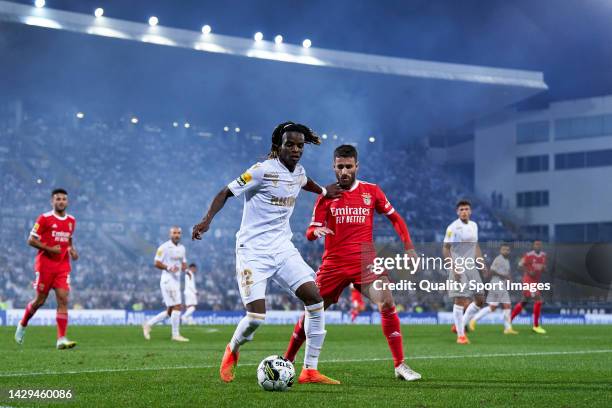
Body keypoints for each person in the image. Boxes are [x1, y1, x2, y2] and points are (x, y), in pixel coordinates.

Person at [192, 121, 342, 384]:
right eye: (290, 145)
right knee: (256, 316)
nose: (296, 149)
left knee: (315, 300)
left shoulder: (299, 172)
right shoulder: (261, 171)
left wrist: (323, 191)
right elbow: (226, 192)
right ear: (278, 146)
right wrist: (207, 220)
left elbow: (305, 182)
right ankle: (233, 349)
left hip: (283, 248)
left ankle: (310, 369)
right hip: (253, 251)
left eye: (299, 145)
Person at [283, 144, 421, 381]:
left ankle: (400, 365)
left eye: (348, 166)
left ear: (357, 166)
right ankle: (288, 360)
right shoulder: (325, 196)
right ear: (333, 167)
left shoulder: (372, 191)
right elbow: (309, 230)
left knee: (387, 301)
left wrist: (409, 247)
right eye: (340, 167)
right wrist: (316, 233)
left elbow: (395, 218)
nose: (344, 171)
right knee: (313, 311)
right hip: (334, 263)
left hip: (365, 261)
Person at [15, 188, 79, 349]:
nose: (61, 201)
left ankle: (61, 339)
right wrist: (50, 249)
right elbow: (31, 240)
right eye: (58, 199)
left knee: (63, 299)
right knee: (40, 301)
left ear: (67, 202)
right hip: (45, 265)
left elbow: (68, 239)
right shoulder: (44, 218)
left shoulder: (72, 220)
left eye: (64, 199)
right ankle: (22, 324)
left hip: (63, 266)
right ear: (52, 201)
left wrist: (71, 249)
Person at [443, 200, 488, 344]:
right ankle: (461, 336)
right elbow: (445, 248)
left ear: (470, 211)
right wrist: (453, 266)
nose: (464, 211)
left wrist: (481, 263)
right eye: (461, 209)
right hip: (458, 266)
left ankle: (459, 325)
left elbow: (476, 247)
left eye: (466, 209)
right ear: (457, 212)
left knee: (480, 300)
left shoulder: (474, 226)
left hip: (471, 267)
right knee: (460, 299)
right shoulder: (453, 227)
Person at [142, 226, 189, 342]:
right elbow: (156, 263)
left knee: (170, 311)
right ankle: (175, 335)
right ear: (170, 234)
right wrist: (168, 267)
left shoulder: (182, 248)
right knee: (178, 306)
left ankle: (148, 324)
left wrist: (184, 268)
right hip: (168, 280)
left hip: (177, 281)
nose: (177, 235)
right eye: (174, 233)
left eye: (178, 233)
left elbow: (183, 263)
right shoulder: (164, 247)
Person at [469, 243, 518, 334]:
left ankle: (473, 319)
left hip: (499, 284)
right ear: (500, 250)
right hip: (497, 284)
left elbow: (506, 273)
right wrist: (505, 276)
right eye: (504, 249)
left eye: (507, 250)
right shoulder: (498, 259)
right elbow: (492, 271)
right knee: (507, 305)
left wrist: (509, 278)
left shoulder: (506, 261)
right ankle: (508, 328)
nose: (505, 251)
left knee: (493, 307)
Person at [510, 240, 547, 334]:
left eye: (539, 244)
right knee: (538, 299)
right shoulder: (529, 255)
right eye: (536, 244)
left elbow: (543, 268)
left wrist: (544, 269)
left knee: (524, 302)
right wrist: (528, 271)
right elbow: (519, 265)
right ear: (533, 246)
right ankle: (536, 326)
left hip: (536, 281)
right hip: (528, 280)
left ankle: (508, 320)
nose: (538, 246)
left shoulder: (543, 255)